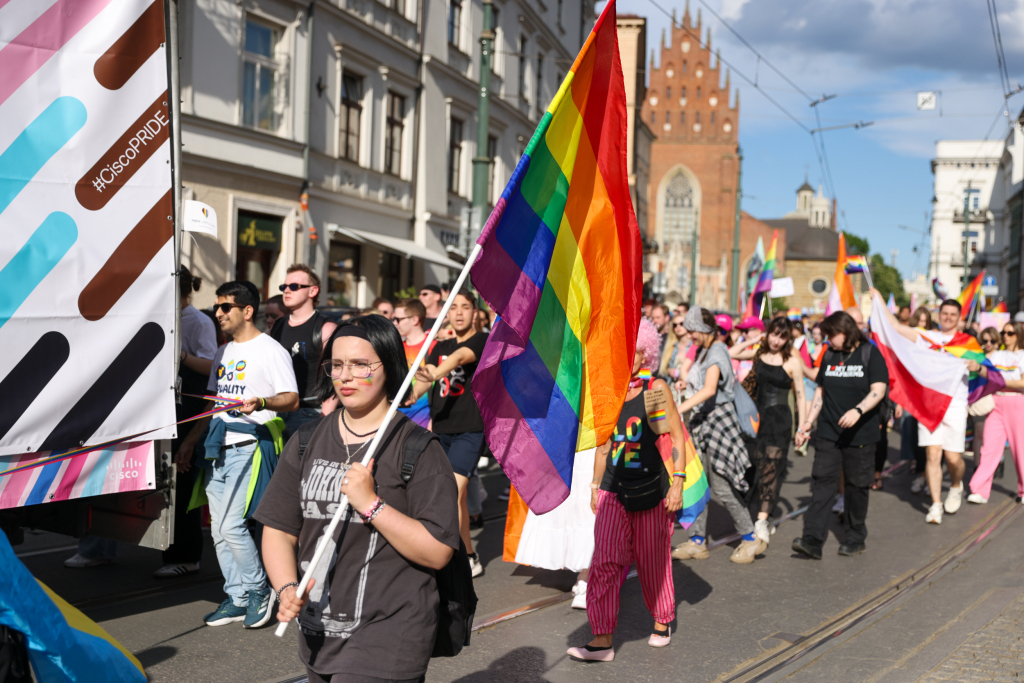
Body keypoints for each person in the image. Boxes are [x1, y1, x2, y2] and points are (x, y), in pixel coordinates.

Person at [257, 315, 459, 683]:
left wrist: (371, 504)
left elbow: (437, 550)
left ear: (390, 366)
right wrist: (285, 587)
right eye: (336, 365)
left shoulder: (418, 448)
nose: (345, 376)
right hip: (318, 635)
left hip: (390, 635)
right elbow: (279, 529)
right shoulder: (305, 440)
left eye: (360, 364)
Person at [176, 281, 299, 628]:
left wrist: (261, 401)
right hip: (216, 447)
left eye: (224, 307)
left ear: (247, 310)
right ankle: (238, 596)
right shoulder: (223, 351)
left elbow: (291, 398)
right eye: (216, 307)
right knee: (218, 529)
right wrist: (190, 441)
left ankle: (260, 588)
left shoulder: (271, 350)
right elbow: (215, 404)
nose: (217, 313)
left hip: (250, 446)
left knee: (232, 525)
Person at [566, 319, 690, 661]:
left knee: (652, 563)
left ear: (645, 353)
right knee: (604, 562)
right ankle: (602, 640)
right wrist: (594, 485)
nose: (629, 357)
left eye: (635, 351)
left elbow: (674, 435)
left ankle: (662, 618)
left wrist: (677, 481)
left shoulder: (653, 389)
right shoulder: (609, 390)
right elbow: (604, 445)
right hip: (613, 490)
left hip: (650, 489)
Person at [792, 311, 888, 558]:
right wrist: (806, 424)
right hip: (828, 433)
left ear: (846, 331)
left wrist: (858, 410)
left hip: (861, 436)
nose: (828, 339)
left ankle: (855, 537)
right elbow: (821, 392)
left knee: (857, 487)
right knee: (823, 483)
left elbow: (879, 389)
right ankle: (812, 539)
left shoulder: (869, 353)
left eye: (831, 334)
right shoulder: (830, 355)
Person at [409, 289, 488, 577]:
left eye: (465, 307)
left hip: (470, 430)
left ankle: (447, 555)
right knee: (454, 498)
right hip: (441, 429)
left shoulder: (481, 341)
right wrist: (410, 395)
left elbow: (457, 359)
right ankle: (468, 553)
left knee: (451, 492)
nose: (458, 313)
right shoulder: (439, 346)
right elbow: (425, 381)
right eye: (453, 307)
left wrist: (433, 372)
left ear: (475, 312)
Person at [673, 307, 759, 565]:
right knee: (698, 481)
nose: (689, 336)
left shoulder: (718, 349)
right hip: (702, 422)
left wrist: (678, 408)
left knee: (721, 485)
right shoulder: (703, 351)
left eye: (692, 331)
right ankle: (697, 540)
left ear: (703, 328)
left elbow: (711, 389)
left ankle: (750, 536)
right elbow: (702, 384)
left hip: (718, 423)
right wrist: (685, 385)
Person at [876, 294, 969, 524]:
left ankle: (956, 485)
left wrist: (977, 364)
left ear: (959, 318)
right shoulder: (928, 337)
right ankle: (936, 504)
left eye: (952, 315)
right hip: (928, 406)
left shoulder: (968, 343)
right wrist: (877, 298)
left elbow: (986, 368)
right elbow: (896, 327)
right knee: (932, 454)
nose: (948, 318)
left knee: (953, 458)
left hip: (955, 405)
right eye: (944, 313)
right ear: (939, 315)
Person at [157, 266, 219, 578]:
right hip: (167, 408)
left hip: (188, 408)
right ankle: (171, 550)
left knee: (183, 481)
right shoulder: (169, 316)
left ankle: (188, 555)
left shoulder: (199, 321)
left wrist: (179, 356)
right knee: (168, 481)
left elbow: (211, 365)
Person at [732, 318, 807, 550]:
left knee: (771, 470)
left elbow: (801, 396)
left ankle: (763, 519)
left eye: (781, 336)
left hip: (780, 422)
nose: (776, 340)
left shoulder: (793, 361)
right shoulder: (758, 354)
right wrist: (754, 339)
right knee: (752, 467)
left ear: (788, 339)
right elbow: (731, 352)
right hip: (755, 420)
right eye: (773, 334)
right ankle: (762, 512)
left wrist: (802, 428)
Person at [271, 265, 337, 439]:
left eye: (294, 286)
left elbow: (334, 377)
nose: (286, 291)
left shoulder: (325, 328)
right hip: (277, 411)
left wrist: (324, 420)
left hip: (310, 412)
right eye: (283, 287)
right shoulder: (278, 325)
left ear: (312, 291)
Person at [966, 320, 1024, 504]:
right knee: (989, 447)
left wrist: (1001, 382)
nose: (1006, 336)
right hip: (996, 402)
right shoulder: (996, 355)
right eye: (1004, 332)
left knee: (1020, 449)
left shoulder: (1023, 356)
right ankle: (980, 489)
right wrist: (978, 368)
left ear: (1019, 335)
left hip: (1017, 402)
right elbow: (984, 373)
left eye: (1010, 333)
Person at [393, 298, 434, 428]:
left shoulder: (433, 346)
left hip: (424, 422)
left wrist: (434, 420)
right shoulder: (396, 348)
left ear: (415, 320)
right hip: (397, 420)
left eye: (398, 319)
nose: (395, 323)